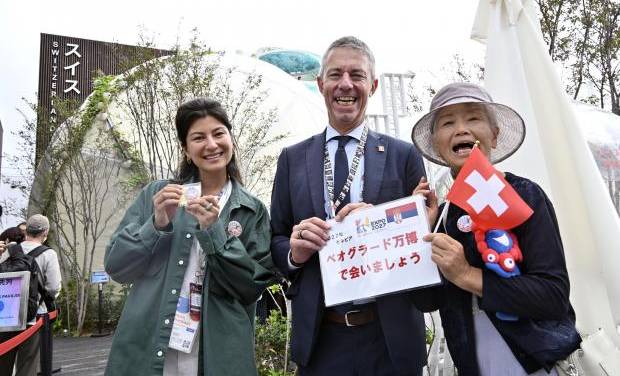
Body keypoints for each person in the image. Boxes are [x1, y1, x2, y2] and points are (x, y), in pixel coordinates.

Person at [270, 36, 437, 376]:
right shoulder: (292, 158)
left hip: (390, 338)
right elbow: (275, 239)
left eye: (357, 75)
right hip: (321, 338)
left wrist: (392, 222)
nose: (345, 84)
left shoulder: (403, 155)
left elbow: (422, 236)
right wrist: (295, 253)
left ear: (372, 86)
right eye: (335, 74)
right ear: (321, 84)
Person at [411, 82, 581, 375]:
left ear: (494, 134)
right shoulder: (443, 214)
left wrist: (466, 275)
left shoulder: (524, 195)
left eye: (473, 118)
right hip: (474, 364)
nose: (461, 129)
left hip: (537, 363)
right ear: (437, 144)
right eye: (448, 123)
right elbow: (427, 301)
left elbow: (553, 296)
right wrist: (417, 231)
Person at [104, 97, 275, 376]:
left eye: (218, 133)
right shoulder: (158, 196)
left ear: (231, 139)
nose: (211, 144)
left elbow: (252, 286)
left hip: (220, 350)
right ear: (185, 149)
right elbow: (117, 266)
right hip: (152, 343)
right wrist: (156, 224)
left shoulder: (250, 209)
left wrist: (215, 232)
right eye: (198, 138)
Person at [0, 214, 62, 376]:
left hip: (7, 315)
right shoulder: (48, 254)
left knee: (3, 363)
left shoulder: (10, 251)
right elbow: (52, 288)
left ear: (26, 230)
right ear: (45, 232)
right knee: (27, 365)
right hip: (34, 317)